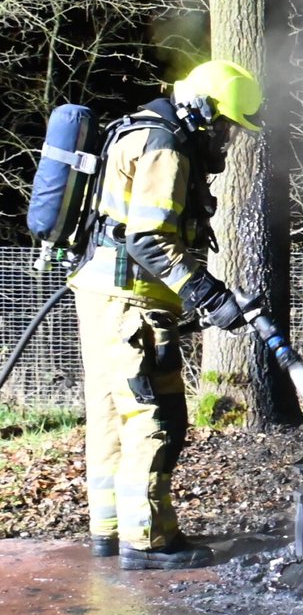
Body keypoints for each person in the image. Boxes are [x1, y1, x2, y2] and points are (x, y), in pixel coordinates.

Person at [68, 59, 264, 570]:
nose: (226, 140)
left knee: (113, 417)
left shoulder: (142, 130)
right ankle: (149, 541)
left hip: (103, 296)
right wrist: (208, 295)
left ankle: (110, 531)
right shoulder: (167, 147)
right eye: (225, 126)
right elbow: (150, 239)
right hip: (132, 300)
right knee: (155, 416)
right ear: (204, 112)